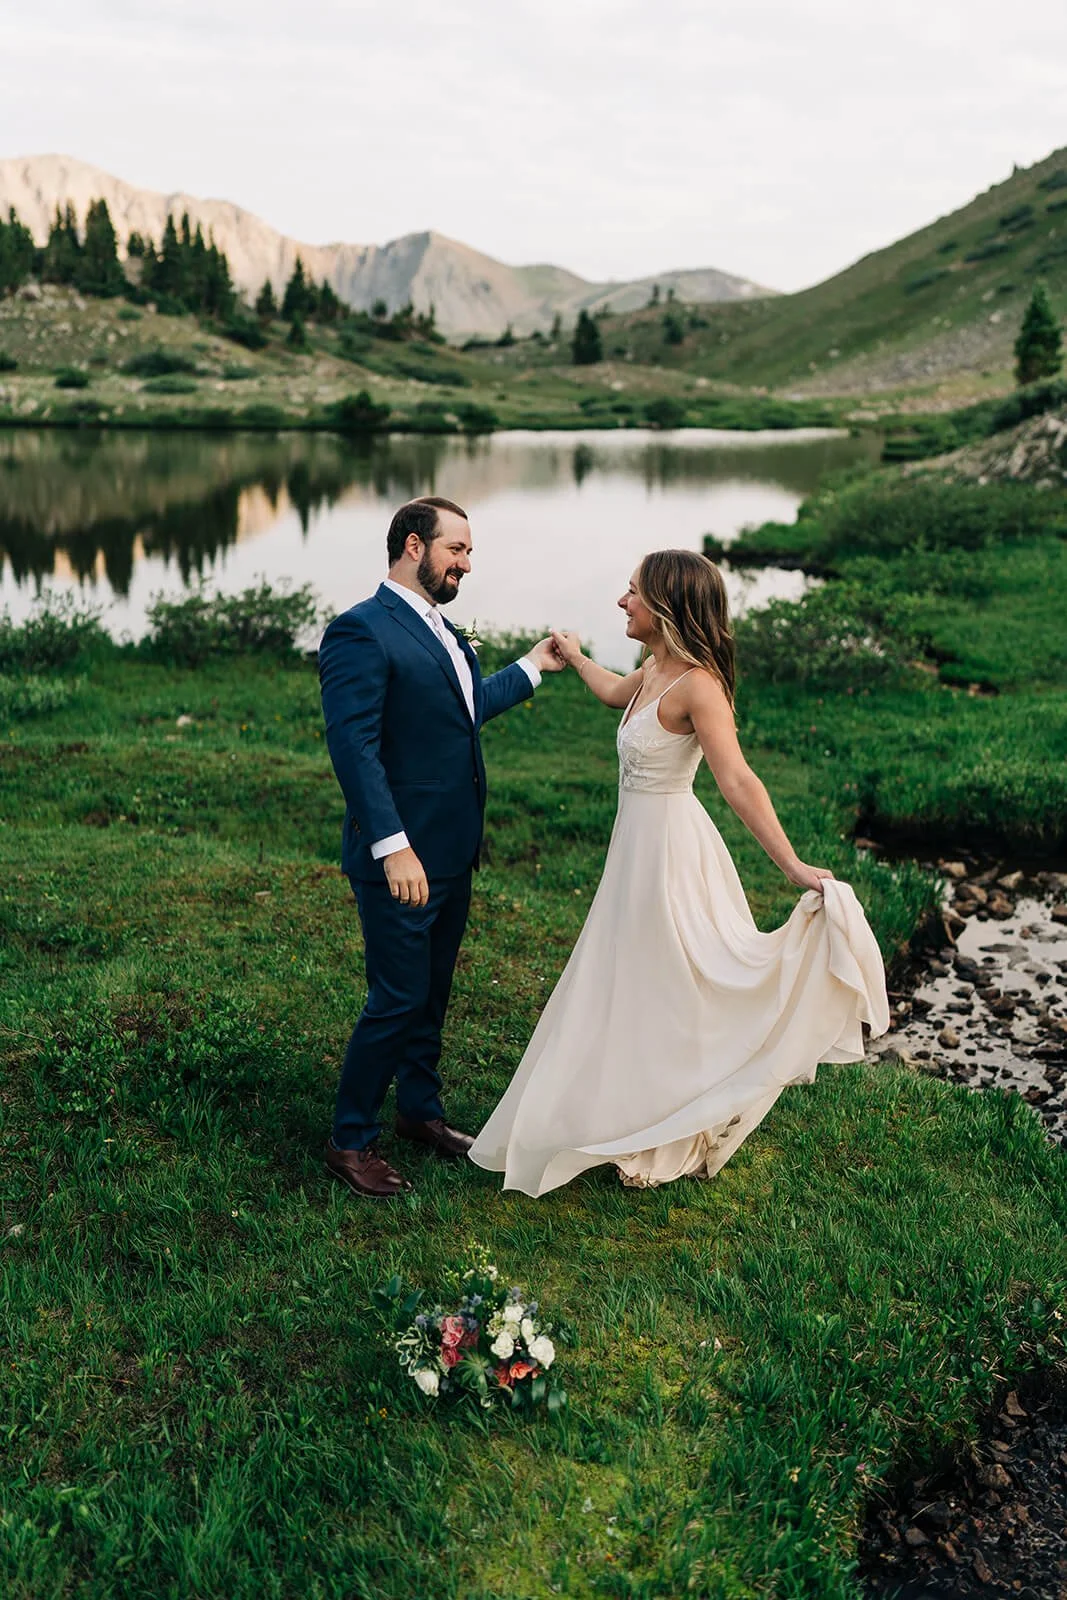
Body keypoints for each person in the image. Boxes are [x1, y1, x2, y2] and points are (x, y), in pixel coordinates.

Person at [468, 549, 889, 1197]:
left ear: (664, 604)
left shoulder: (699, 685)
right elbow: (616, 694)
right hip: (632, 851)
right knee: (637, 983)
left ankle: (672, 1126)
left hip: (671, 853)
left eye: (631, 592)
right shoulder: (652, 668)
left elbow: (738, 781)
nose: (621, 602)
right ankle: (635, 1108)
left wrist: (792, 866)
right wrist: (572, 656)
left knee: (674, 982)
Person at [319, 495, 564, 1199]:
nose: (465, 562)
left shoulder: (444, 632)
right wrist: (392, 848)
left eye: (469, 552)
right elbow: (354, 747)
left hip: (453, 852)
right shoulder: (361, 631)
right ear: (412, 546)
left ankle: (419, 1112)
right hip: (402, 858)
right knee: (396, 997)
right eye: (456, 548)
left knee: (432, 993)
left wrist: (530, 668)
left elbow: (460, 713)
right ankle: (349, 1139)